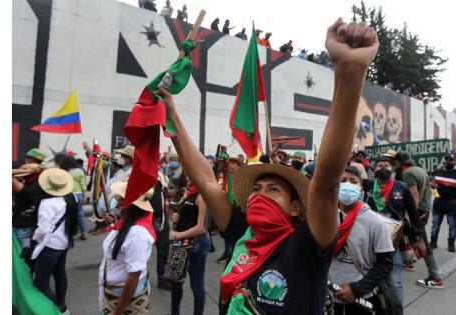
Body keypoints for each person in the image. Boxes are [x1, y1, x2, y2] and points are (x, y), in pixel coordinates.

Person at [154, 17, 379, 314]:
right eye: (256, 189)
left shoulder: (308, 246)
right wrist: (171, 115)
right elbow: (207, 182)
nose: (260, 194)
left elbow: (325, 182)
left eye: (274, 189)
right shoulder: (241, 233)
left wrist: (350, 72)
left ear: (296, 208)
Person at [363, 157, 425, 314]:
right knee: (371, 280)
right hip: (368, 241)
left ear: (391, 169)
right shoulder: (367, 186)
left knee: (393, 282)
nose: (383, 168)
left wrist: (420, 239)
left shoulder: (401, 187)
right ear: (374, 169)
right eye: (379, 166)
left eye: (386, 165)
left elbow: (413, 214)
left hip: (392, 243)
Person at [330, 166, 394, 314]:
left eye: (353, 181)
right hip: (327, 297)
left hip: (362, 299)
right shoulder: (325, 217)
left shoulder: (375, 222)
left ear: (361, 189)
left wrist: (357, 289)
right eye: (342, 181)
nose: (347, 185)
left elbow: (385, 264)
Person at [99, 182, 156, 315]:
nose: (116, 199)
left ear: (131, 204)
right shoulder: (129, 224)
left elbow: (134, 275)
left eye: (120, 198)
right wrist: (115, 221)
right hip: (112, 292)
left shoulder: (137, 234)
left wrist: (118, 312)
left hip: (121, 299)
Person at [393, 151, 444, 290]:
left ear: (398, 162)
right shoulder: (419, 169)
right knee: (405, 236)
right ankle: (408, 261)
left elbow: (414, 194)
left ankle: (435, 277)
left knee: (422, 243)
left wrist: (412, 216)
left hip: (418, 212)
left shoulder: (408, 173)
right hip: (425, 210)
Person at [31, 168, 79, 315]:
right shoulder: (71, 198)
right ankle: (61, 305)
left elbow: (42, 229)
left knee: (40, 282)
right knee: (59, 274)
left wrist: (34, 240)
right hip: (64, 242)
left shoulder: (47, 203)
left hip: (50, 246)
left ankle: (58, 309)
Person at [169, 180, 211, 315]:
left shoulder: (202, 195)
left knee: (197, 285)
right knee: (176, 281)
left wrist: (177, 234)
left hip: (197, 244)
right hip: (182, 244)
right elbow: (188, 214)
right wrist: (178, 217)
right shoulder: (188, 191)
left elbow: (200, 228)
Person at [12, 163, 44, 249]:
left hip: (21, 225)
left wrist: (27, 171)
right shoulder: (41, 185)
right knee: (30, 252)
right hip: (33, 223)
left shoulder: (26, 189)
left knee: (22, 255)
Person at [60, 156, 89, 240]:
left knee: (67, 214)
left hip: (67, 195)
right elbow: (83, 185)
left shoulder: (62, 172)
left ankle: (70, 233)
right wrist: (85, 196)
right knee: (80, 213)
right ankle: (84, 232)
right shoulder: (79, 171)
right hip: (78, 194)